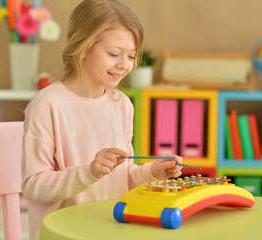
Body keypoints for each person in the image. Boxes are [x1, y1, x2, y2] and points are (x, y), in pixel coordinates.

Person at [21, 1, 183, 239]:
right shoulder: (48, 104)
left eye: (131, 56)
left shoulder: (122, 106)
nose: (124, 64)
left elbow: (123, 177)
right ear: (83, 47)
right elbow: (33, 186)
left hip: (109, 229)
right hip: (63, 233)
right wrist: (89, 172)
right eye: (114, 54)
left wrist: (151, 172)